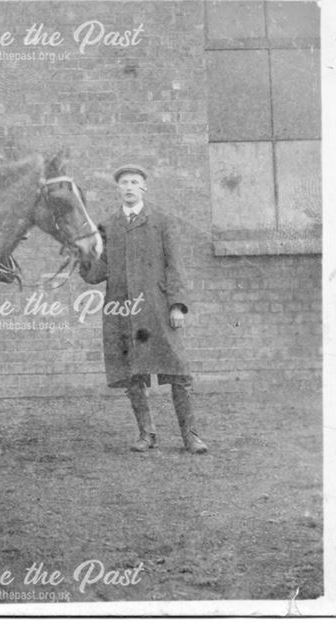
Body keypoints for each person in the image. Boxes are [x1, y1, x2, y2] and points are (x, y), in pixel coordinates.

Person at [79, 165, 208, 454]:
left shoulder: (161, 221)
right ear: (118, 189)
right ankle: (146, 434)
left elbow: (175, 265)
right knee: (132, 373)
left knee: (179, 371)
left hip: (157, 308)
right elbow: (96, 274)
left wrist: (177, 305)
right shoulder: (108, 226)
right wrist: (84, 253)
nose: (129, 187)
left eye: (134, 182)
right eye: (124, 182)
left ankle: (191, 436)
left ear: (143, 188)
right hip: (122, 310)